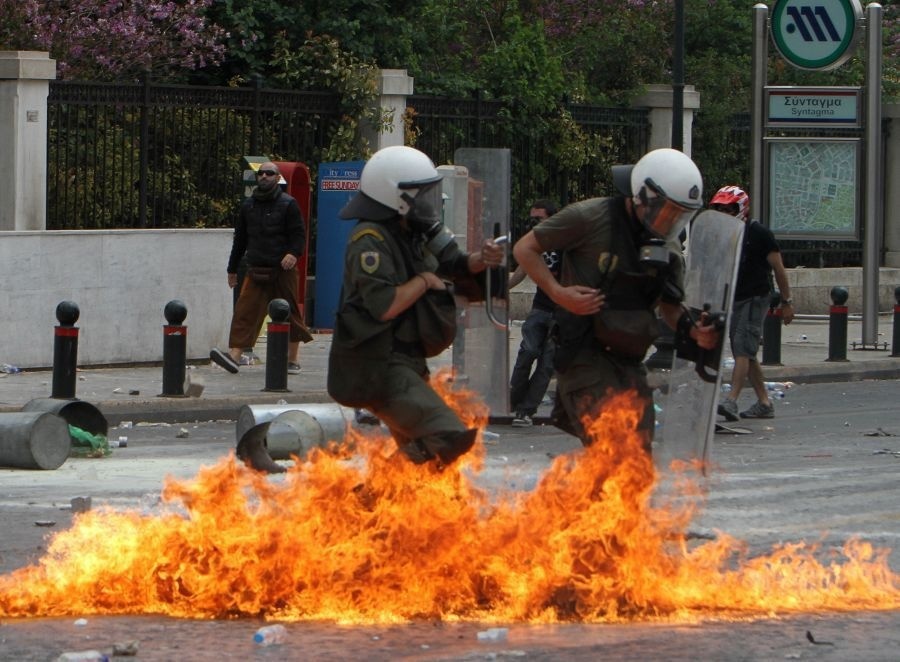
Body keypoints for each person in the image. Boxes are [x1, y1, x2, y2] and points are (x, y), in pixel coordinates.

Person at [512, 148, 719, 450]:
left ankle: (591, 497)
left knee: (639, 453)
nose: (670, 220)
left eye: (679, 214)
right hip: (584, 353)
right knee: (613, 445)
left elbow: (671, 308)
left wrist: (695, 332)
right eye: (666, 209)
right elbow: (525, 248)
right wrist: (559, 293)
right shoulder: (589, 217)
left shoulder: (668, 247)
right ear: (643, 196)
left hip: (629, 360)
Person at [327, 145, 505, 467]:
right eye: (420, 194)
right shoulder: (369, 240)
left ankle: (374, 506)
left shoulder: (415, 231)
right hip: (377, 365)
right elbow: (386, 306)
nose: (427, 202)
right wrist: (424, 280)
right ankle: (373, 494)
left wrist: (484, 258)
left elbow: (457, 264)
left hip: (406, 361)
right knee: (447, 435)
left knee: (427, 455)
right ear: (396, 196)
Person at [210, 161, 313, 374]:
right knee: (244, 312)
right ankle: (235, 357)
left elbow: (299, 236)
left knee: (290, 312)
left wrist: (292, 254)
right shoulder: (248, 206)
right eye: (261, 173)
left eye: (270, 173)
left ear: (277, 178)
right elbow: (240, 240)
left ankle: (293, 359)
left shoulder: (289, 204)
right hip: (256, 267)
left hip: (281, 271)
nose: (264, 176)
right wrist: (232, 269)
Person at [712, 185, 794, 420]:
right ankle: (764, 403)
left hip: (755, 297)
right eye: (719, 209)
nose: (724, 213)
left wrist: (787, 301)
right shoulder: (724, 235)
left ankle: (732, 401)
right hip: (734, 298)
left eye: (728, 208)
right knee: (746, 351)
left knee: (741, 347)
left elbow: (779, 269)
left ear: (741, 209)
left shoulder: (758, 234)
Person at [508, 199, 560, 427]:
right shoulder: (534, 244)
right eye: (532, 219)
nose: (533, 224)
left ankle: (526, 410)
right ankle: (514, 401)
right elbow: (521, 272)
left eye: (538, 219)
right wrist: (500, 290)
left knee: (547, 363)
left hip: (560, 311)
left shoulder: (565, 243)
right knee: (527, 352)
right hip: (540, 307)